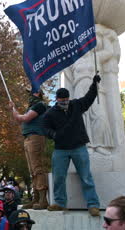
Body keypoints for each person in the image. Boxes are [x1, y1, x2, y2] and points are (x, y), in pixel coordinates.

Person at [43, 75, 102, 217]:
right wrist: (54, 135)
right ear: (56, 100)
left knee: (86, 176)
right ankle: (59, 203)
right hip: (60, 150)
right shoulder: (50, 113)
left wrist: (94, 84)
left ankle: (93, 205)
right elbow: (45, 129)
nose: (65, 102)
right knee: (58, 177)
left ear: (69, 98)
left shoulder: (76, 105)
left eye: (66, 100)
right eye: (62, 100)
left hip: (79, 147)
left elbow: (89, 98)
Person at [9, 89, 49, 209]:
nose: (30, 95)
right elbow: (19, 119)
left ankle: (43, 199)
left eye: (33, 92)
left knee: (37, 168)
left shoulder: (40, 105)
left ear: (39, 94)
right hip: (28, 138)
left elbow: (24, 118)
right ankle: (35, 198)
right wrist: (13, 109)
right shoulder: (32, 107)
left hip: (36, 137)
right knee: (32, 170)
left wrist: (15, 111)